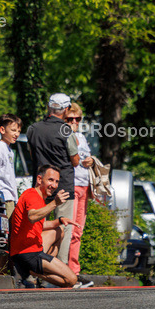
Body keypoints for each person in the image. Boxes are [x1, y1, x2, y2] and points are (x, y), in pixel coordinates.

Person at [26, 93, 80, 264]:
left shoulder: (33, 129)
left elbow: (31, 155)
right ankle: (60, 267)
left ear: (49, 107)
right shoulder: (66, 130)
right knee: (63, 227)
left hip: (40, 185)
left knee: (38, 227)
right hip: (63, 185)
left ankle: (35, 266)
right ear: (66, 110)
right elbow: (75, 160)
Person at [9, 164, 79, 288]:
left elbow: (39, 225)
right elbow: (32, 217)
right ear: (39, 179)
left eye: (57, 181)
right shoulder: (32, 196)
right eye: (50, 180)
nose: (54, 185)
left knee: (59, 230)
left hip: (26, 248)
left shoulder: (37, 196)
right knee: (72, 280)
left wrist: (60, 221)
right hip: (27, 252)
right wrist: (55, 203)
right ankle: (34, 272)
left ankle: (41, 269)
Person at [65, 102, 95, 283]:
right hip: (72, 184)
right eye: (71, 119)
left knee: (78, 231)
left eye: (78, 119)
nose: (75, 122)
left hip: (84, 185)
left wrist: (90, 160)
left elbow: (86, 157)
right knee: (68, 229)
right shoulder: (63, 135)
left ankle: (74, 270)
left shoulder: (82, 137)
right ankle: (65, 270)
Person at [0, 113, 22, 218]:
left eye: (19, 131)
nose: (16, 134)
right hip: (4, 197)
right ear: (2, 130)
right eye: (13, 130)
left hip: (11, 198)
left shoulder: (9, 150)